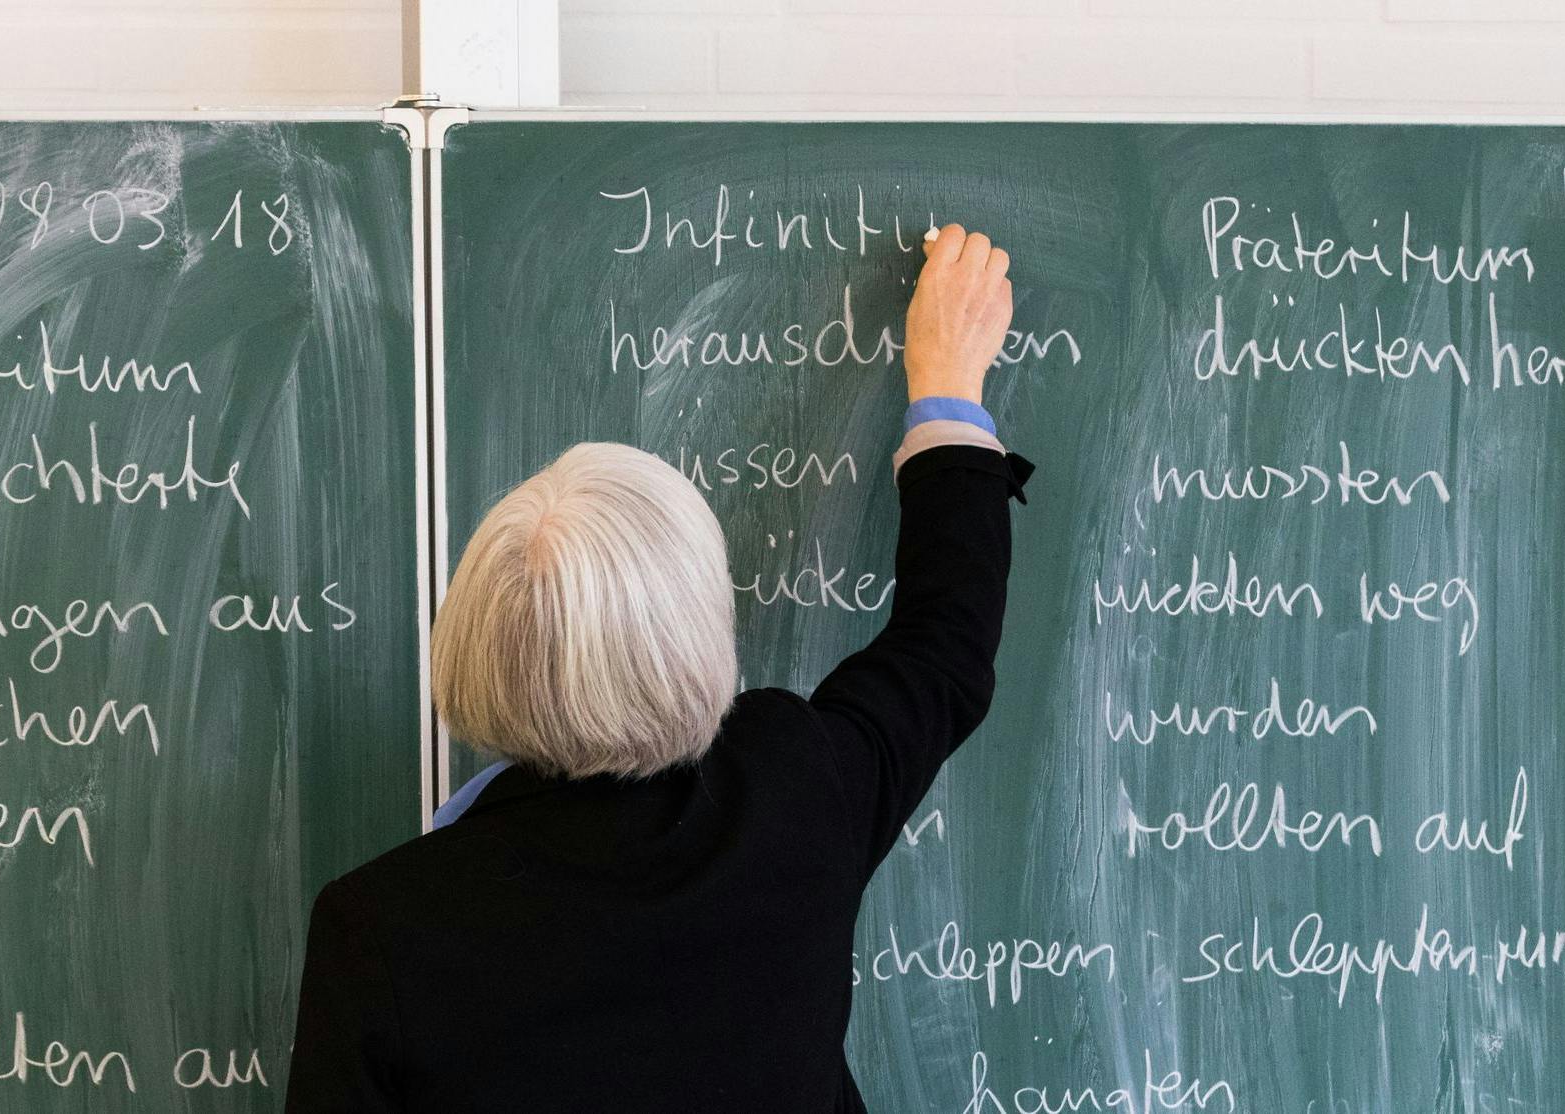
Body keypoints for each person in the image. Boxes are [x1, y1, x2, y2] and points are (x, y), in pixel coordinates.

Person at [285, 224, 1032, 1112]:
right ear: (700, 637)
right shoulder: (791, 790)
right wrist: (947, 389)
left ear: (472, 645)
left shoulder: (380, 927)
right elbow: (944, 646)